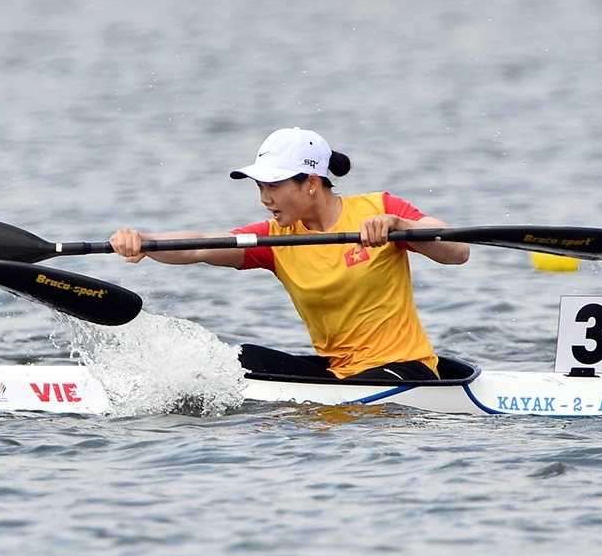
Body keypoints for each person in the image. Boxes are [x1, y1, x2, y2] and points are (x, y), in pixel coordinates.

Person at [110, 127, 471, 383]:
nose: (264, 198)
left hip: (406, 369)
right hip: (340, 373)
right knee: (242, 359)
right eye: (260, 187)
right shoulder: (275, 238)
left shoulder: (380, 209)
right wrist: (146, 241)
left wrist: (400, 226)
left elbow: (458, 251)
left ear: (311, 181)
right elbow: (202, 245)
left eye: (274, 186)